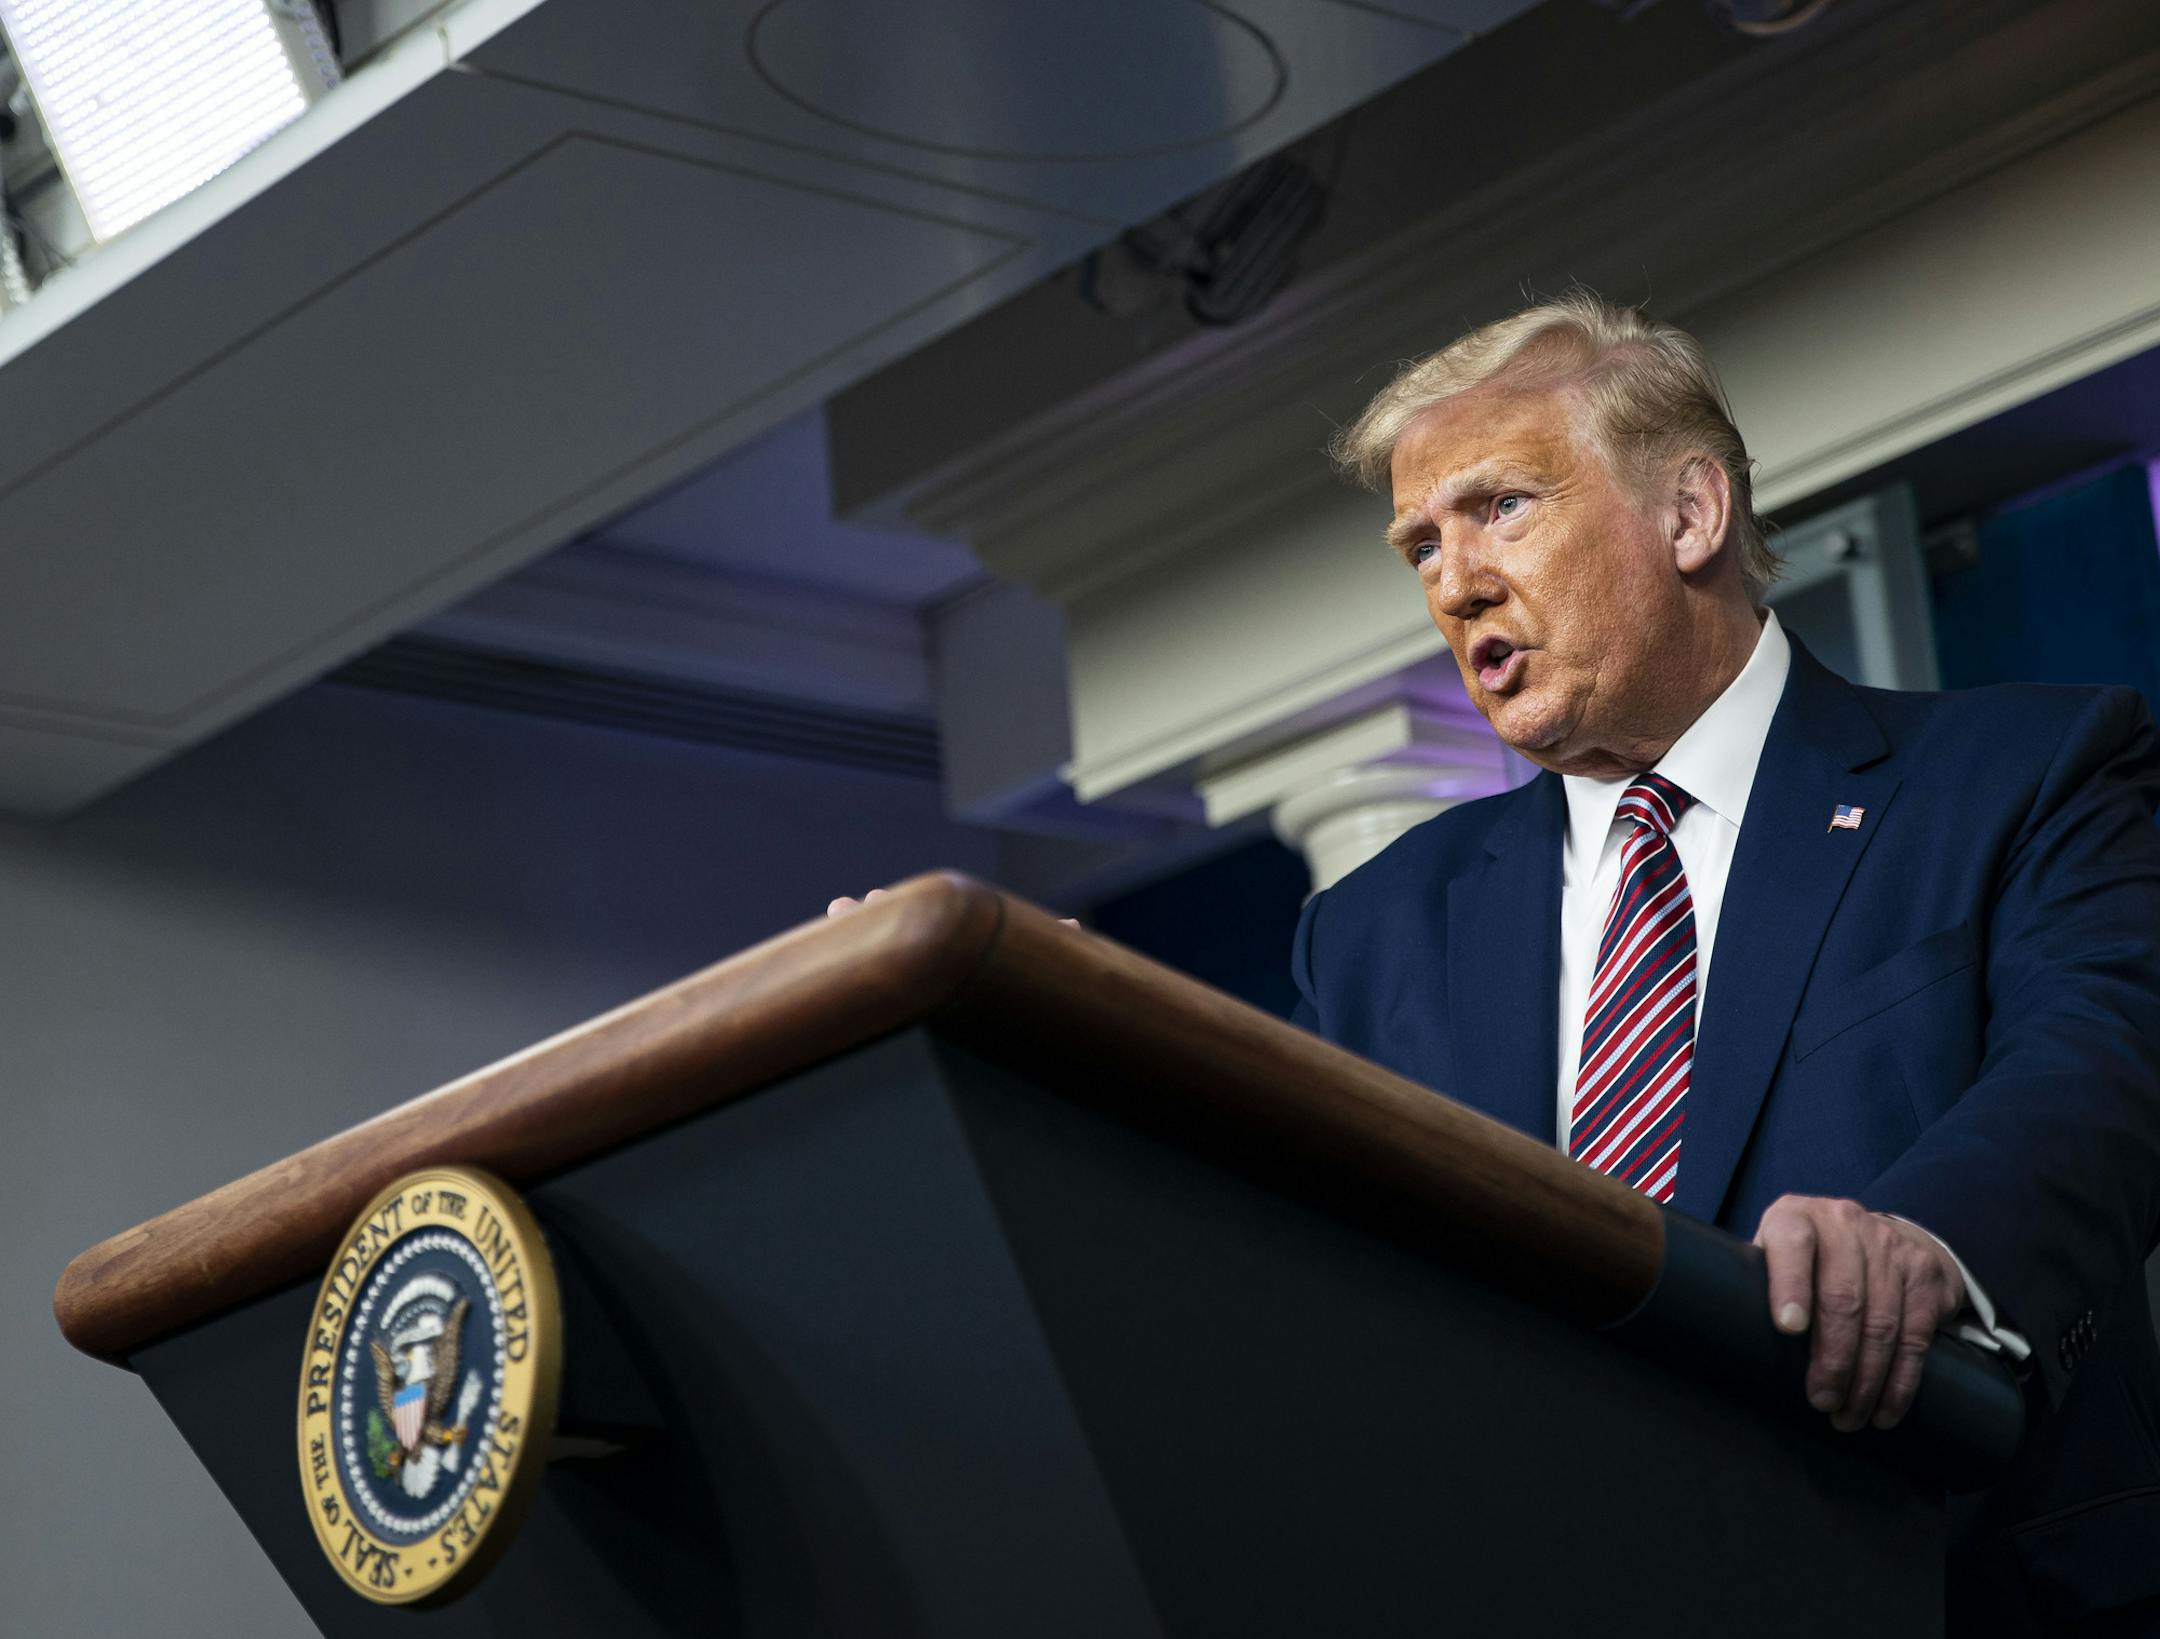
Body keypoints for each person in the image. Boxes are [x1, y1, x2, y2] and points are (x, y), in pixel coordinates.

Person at [1296, 290, 2160, 1633]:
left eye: (1501, 508)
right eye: (1420, 543)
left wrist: (1931, 1236)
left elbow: (2107, 1056)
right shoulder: (1370, 935)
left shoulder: (2018, 775)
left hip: (1952, 1584)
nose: (1451, 581)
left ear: (1690, 516)